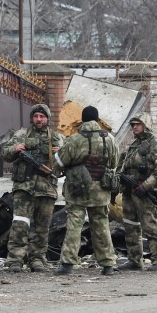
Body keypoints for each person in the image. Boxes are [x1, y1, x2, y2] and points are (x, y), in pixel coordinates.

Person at [53, 106, 118, 276]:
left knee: (74, 225)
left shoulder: (74, 139)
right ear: (97, 120)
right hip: (101, 190)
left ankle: (67, 264)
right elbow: (114, 163)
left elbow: (59, 163)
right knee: (102, 225)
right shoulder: (109, 139)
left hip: (77, 189)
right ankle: (108, 264)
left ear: (82, 120)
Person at [1, 104, 65, 272]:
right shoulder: (22, 134)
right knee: (20, 225)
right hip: (24, 188)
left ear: (48, 119)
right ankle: (15, 259)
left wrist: (61, 154)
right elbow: (5, 153)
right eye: (36, 116)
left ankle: (37, 259)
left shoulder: (57, 138)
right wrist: (15, 148)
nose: (38, 119)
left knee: (43, 227)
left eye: (42, 117)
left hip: (47, 189)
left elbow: (67, 164)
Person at [117, 113, 157, 271]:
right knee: (130, 225)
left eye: (138, 124)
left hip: (145, 193)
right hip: (129, 192)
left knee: (150, 226)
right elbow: (122, 166)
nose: (134, 127)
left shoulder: (156, 144)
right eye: (133, 125)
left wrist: (145, 186)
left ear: (145, 124)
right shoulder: (133, 145)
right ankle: (134, 259)